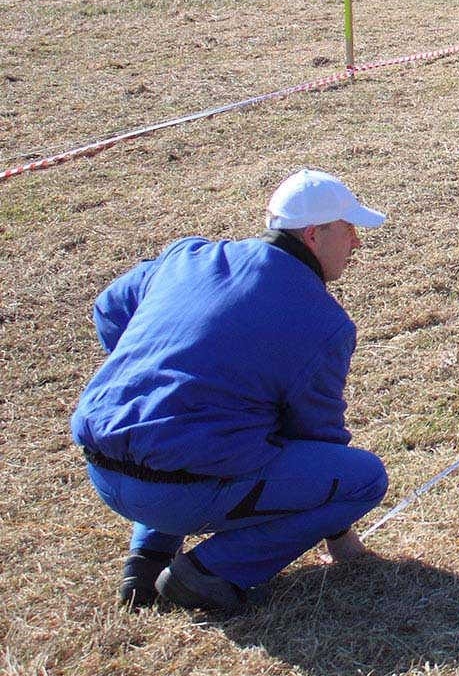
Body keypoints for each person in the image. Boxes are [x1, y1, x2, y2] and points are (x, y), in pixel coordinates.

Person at [71, 169, 390, 612]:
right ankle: (208, 573)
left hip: (103, 471)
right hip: (185, 490)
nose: (356, 243)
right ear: (315, 235)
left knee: (186, 425)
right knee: (364, 478)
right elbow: (315, 435)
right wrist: (340, 530)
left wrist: (147, 374)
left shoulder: (188, 255)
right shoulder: (323, 322)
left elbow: (109, 308)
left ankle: (148, 558)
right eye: (349, 230)